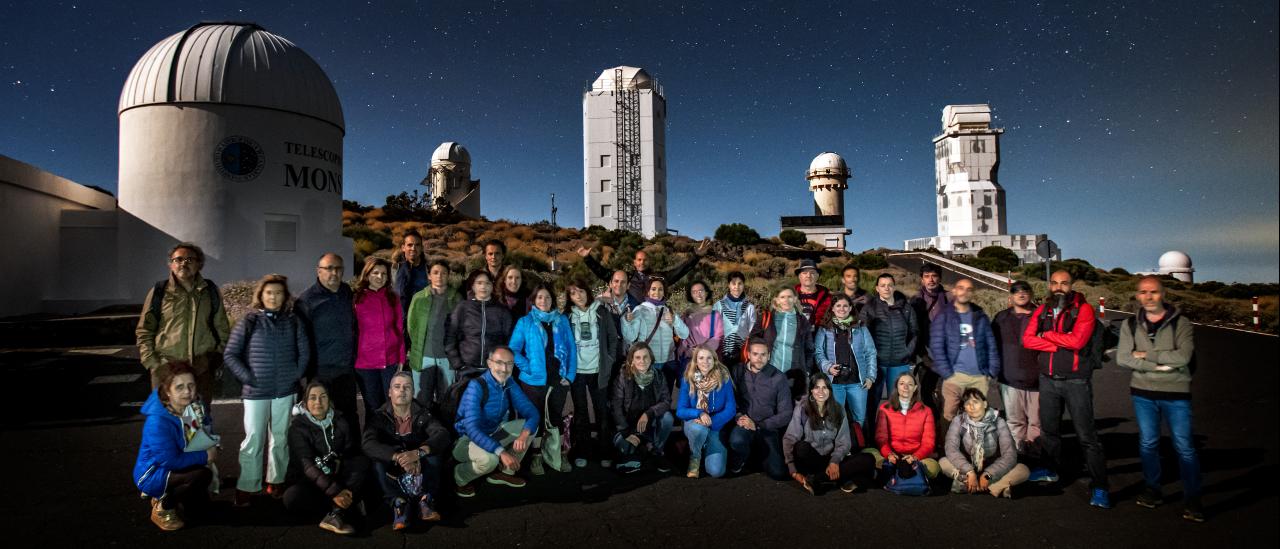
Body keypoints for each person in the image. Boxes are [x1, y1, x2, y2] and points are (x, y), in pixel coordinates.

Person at [1022, 270, 1111, 508]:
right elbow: (1028, 339)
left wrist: (1048, 335)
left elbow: (1078, 341)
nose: (1058, 287)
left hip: (1076, 381)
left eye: (1064, 283)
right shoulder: (1042, 310)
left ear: (1072, 285)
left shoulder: (1084, 310)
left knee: (1087, 437)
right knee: (1049, 431)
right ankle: (1050, 470)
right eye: (1054, 283)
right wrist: (1055, 345)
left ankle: (1100, 486)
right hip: (1048, 379)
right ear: (1049, 285)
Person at [1116, 276, 1203, 522]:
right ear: (1137, 295)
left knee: (1185, 447)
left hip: (1176, 393)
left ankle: (1193, 498)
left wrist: (1145, 357)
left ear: (1163, 293)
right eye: (1143, 292)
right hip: (1143, 393)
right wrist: (1162, 364)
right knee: (1148, 444)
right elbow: (1123, 358)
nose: (1148, 297)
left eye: (1153, 292)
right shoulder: (1130, 324)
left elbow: (1183, 357)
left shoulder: (1181, 323)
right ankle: (1153, 489)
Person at [223, 274, 310, 506]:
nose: (274, 297)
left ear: (285, 296)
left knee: (280, 438)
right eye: (269, 292)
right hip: (256, 392)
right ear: (261, 295)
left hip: (285, 390)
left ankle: (276, 480)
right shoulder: (249, 321)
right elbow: (231, 354)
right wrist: (248, 378)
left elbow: (304, 352)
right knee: (253, 439)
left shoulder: (293, 320)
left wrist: (296, 374)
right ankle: (247, 486)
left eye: (279, 292)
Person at [136, 242, 231, 409]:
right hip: (165, 367)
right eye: (178, 259)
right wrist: (153, 363)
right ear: (171, 264)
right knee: (165, 420)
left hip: (200, 369)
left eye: (189, 259)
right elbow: (145, 329)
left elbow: (222, 327)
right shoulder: (159, 291)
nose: (183, 263)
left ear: (199, 264)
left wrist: (214, 358)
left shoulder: (210, 291)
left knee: (200, 420)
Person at [133, 361, 218, 531]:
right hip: (154, 472)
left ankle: (177, 498)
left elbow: (198, 437)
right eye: (179, 387)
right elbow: (169, 460)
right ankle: (163, 505)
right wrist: (205, 455)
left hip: (177, 462)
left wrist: (205, 430)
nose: (187, 391)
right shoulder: (157, 421)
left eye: (191, 385)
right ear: (167, 391)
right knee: (201, 475)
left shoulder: (190, 407)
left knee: (201, 511)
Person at [362, 372, 450, 530]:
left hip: (420, 465)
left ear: (413, 391)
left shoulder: (424, 413)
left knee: (435, 452)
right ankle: (398, 504)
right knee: (376, 461)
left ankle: (426, 500)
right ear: (390, 392)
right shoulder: (379, 416)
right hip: (393, 468)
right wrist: (397, 456)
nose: (402, 390)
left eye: (407, 387)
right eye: (397, 387)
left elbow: (442, 434)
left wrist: (418, 453)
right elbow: (368, 443)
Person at [453, 346, 541, 497]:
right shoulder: (476, 386)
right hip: (467, 441)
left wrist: (523, 435)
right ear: (489, 363)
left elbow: (532, 413)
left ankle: (504, 472)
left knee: (530, 428)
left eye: (509, 363)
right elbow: (472, 429)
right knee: (489, 460)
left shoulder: (509, 383)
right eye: (499, 362)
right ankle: (459, 477)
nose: (504, 368)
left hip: (493, 433)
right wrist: (502, 452)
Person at [285, 381, 368, 535]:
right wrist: (335, 492)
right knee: (292, 498)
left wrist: (341, 461)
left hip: (335, 476)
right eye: (313, 398)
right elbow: (307, 466)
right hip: (311, 481)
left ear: (329, 400)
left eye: (323, 397)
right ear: (305, 403)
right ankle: (345, 504)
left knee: (361, 462)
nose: (318, 402)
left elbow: (350, 452)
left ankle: (336, 513)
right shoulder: (297, 428)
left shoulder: (341, 421)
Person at [510, 284, 578, 475]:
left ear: (552, 300)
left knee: (556, 418)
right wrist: (528, 368)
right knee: (535, 418)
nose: (544, 301)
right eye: (539, 297)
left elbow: (572, 349)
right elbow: (513, 350)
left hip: (558, 379)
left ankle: (558, 454)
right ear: (533, 300)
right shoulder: (525, 322)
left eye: (547, 297)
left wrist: (570, 376)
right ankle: (536, 457)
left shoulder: (562, 320)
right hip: (533, 381)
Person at [295, 253, 359, 435]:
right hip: (320, 372)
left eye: (338, 269)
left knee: (348, 416)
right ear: (318, 271)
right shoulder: (306, 301)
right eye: (329, 268)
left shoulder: (347, 292)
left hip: (346, 370)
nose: (334, 273)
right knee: (320, 417)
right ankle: (324, 459)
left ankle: (352, 457)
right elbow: (300, 340)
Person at [783, 374, 878, 495]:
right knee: (801, 447)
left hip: (831, 459)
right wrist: (793, 471)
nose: (821, 392)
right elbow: (789, 438)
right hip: (811, 460)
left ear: (830, 390)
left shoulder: (838, 409)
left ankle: (818, 479)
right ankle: (841, 478)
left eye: (825, 388)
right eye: (817, 387)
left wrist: (834, 461)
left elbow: (844, 442)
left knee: (869, 458)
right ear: (811, 390)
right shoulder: (802, 409)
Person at [565, 277, 622, 468]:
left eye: (580, 291)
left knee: (602, 413)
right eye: (573, 293)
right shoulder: (567, 316)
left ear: (587, 292)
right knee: (581, 413)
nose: (578, 295)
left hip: (598, 370)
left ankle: (605, 451)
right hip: (577, 372)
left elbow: (613, 338)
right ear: (569, 297)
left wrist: (610, 359)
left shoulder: (601, 312)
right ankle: (583, 451)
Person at [929, 278, 1001, 429]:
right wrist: (947, 372)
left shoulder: (979, 315)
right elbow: (937, 345)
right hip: (955, 376)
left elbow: (991, 344)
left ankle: (976, 450)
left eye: (969, 289)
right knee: (949, 415)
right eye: (961, 288)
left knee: (978, 416)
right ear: (954, 291)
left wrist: (991, 370)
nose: (964, 292)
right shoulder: (944, 316)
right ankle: (948, 448)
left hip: (979, 376)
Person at [939, 388, 1029, 497]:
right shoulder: (959, 421)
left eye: (976, 402)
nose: (972, 407)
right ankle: (989, 486)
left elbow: (1009, 454)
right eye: (968, 404)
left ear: (985, 404)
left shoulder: (998, 422)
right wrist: (969, 471)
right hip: (966, 469)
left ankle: (980, 486)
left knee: (1023, 470)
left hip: (992, 469)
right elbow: (951, 449)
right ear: (964, 408)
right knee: (943, 462)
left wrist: (988, 475)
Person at [728, 340, 793, 479]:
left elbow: (786, 413)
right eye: (755, 354)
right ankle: (742, 458)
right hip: (744, 423)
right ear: (748, 355)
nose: (759, 358)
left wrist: (759, 425)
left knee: (778, 473)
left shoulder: (778, 377)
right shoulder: (738, 371)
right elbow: (732, 400)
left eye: (763, 355)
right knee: (737, 440)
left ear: (769, 356)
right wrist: (738, 416)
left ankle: (758, 456)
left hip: (767, 427)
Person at [860, 274, 918, 430]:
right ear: (877, 288)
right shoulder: (869, 308)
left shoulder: (906, 308)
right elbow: (861, 335)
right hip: (877, 364)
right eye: (883, 285)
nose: (886, 288)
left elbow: (914, 333)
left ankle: (895, 435)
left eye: (890, 285)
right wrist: (869, 359)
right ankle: (870, 436)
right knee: (872, 402)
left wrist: (907, 352)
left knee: (898, 403)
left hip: (900, 363)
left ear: (894, 286)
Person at [815, 294, 877, 432]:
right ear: (832, 308)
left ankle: (857, 445)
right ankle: (839, 447)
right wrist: (828, 367)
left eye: (845, 306)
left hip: (857, 382)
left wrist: (870, 376)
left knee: (859, 418)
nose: (841, 309)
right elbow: (818, 352)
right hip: (834, 383)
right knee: (834, 417)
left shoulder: (860, 327)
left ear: (850, 308)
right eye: (838, 306)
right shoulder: (825, 328)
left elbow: (871, 352)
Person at [992, 281, 1041, 456]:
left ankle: (1036, 458)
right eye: (1016, 291)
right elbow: (992, 346)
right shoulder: (1000, 318)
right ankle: (1018, 457)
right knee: (1014, 422)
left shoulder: (1041, 316)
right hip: (1009, 379)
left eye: (1025, 291)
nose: (1021, 294)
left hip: (1037, 380)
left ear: (1031, 294)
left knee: (1036, 423)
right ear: (1010, 296)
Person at [578, 239, 710, 305]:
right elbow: (603, 273)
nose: (642, 262)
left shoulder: (658, 278)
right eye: (639, 260)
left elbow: (680, 271)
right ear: (634, 262)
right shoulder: (626, 277)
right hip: (631, 321)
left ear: (649, 262)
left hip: (653, 321)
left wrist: (696, 256)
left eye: (645, 260)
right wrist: (587, 258)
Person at [353, 257, 405, 419]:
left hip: (390, 361)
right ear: (367, 275)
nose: (380, 277)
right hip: (365, 364)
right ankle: (372, 441)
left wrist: (401, 358)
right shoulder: (357, 298)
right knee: (372, 407)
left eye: (384, 273)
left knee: (392, 404)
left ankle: (393, 440)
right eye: (375, 273)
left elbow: (399, 328)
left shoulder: (392, 298)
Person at [611, 343, 674, 473]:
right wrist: (626, 432)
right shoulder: (623, 377)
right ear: (631, 360)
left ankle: (657, 451)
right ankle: (641, 451)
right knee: (627, 450)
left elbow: (666, 401)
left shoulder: (658, 376)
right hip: (628, 428)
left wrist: (649, 413)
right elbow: (615, 407)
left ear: (651, 359)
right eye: (638, 357)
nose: (642, 361)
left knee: (667, 418)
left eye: (645, 357)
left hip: (650, 426)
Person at [675, 346, 736, 478]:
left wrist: (711, 421)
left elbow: (731, 409)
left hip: (715, 425)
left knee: (716, 471)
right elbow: (680, 411)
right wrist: (699, 413)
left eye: (709, 358)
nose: (705, 361)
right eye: (701, 358)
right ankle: (695, 457)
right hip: (695, 423)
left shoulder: (724, 379)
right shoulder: (688, 379)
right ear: (695, 361)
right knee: (699, 430)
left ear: (714, 360)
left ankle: (703, 445)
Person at [621, 277, 690, 394]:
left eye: (660, 289)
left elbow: (684, 334)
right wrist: (626, 322)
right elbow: (630, 337)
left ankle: (665, 412)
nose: (657, 293)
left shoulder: (669, 310)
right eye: (653, 289)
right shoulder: (640, 310)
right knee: (650, 397)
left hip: (669, 361)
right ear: (648, 291)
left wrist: (675, 320)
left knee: (666, 395)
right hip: (650, 362)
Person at [406, 260, 459, 407]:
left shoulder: (456, 299)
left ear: (449, 276)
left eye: (443, 273)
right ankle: (423, 429)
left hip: (447, 358)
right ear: (429, 276)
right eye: (435, 273)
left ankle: (444, 429)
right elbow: (412, 326)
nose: (439, 276)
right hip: (424, 357)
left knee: (446, 399)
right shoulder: (419, 298)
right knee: (421, 399)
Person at [750, 287, 815, 399]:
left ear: (795, 299)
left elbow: (809, 349)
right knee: (767, 405)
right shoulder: (767, 317)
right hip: (769, 372)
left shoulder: (802, 321)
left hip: (794, 375)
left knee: (792, 408)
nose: (786, 300)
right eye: (782, 297)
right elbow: (753, 338)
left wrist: (807, 371)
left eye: (790, 297)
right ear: (776, 300)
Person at [445, 270, 515, 372]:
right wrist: (458, 364)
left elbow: (510, 340)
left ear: (492, 286)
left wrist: (503, 363)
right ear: (473, 286)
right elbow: (450, 336)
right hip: (467, 369)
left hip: (494, 370)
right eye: (479, 283)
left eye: (487, 283)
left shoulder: (502, 311)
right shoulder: (463, 307)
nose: (483, 287)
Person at [875, 373, 940, 480]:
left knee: (934, 468)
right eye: (902, 383)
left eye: (910, 384)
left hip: (916, 457)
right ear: (896, 387)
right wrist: (889, 454)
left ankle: (898, 474)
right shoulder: (885, 408)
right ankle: (901, 472)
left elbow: (929, 442)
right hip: (892, 455)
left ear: (915, 388)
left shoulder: (926, 411)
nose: (905, 387)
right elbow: (881, 438)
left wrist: (915, 457)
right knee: (870, 455)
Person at [910, 263, 949, 411]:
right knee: (926, 394)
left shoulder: (949, 299)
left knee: (947, 395)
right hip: (924, 356)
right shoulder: (914, 302)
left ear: (939, 278)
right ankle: (932, 427)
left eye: (934, 276)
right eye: (926, 276)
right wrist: (921, 356)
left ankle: (946, 428)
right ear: (922, 279)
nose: (931, 279)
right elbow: (912, 331)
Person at [713, 271, 756, 365]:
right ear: (729, 285)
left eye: (740, 283)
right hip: (721, 352)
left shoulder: (749, 307)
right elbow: (713, 330)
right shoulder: (718, 305)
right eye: (733, 283)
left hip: (742, 353)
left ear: (743, 285)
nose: (736, 287)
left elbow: (752, 332)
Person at [679, 280, 724, 366]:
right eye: (694, 292)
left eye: (701, 291)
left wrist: (701, 351)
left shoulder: (715, 314)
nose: (698, 294)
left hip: (708, 360)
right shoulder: (686, 314)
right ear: (691, 295)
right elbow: (683, 337)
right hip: (690, 359)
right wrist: (688, 350)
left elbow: (718, 337)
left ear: (706, 293)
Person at [392, 230, 429, 321]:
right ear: (403, 247)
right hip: (399, 322)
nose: (413, 248)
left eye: (417, 245)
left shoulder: (429, 270)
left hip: (423, 320)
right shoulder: (394, 269)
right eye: (410, 245)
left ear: (422, 248)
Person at [794, 259, 833, 325]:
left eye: (812, 273)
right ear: (799, 276)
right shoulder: (789, 296)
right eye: (804, 273)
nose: (808, 276)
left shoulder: (828, 298)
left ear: (817, 276)